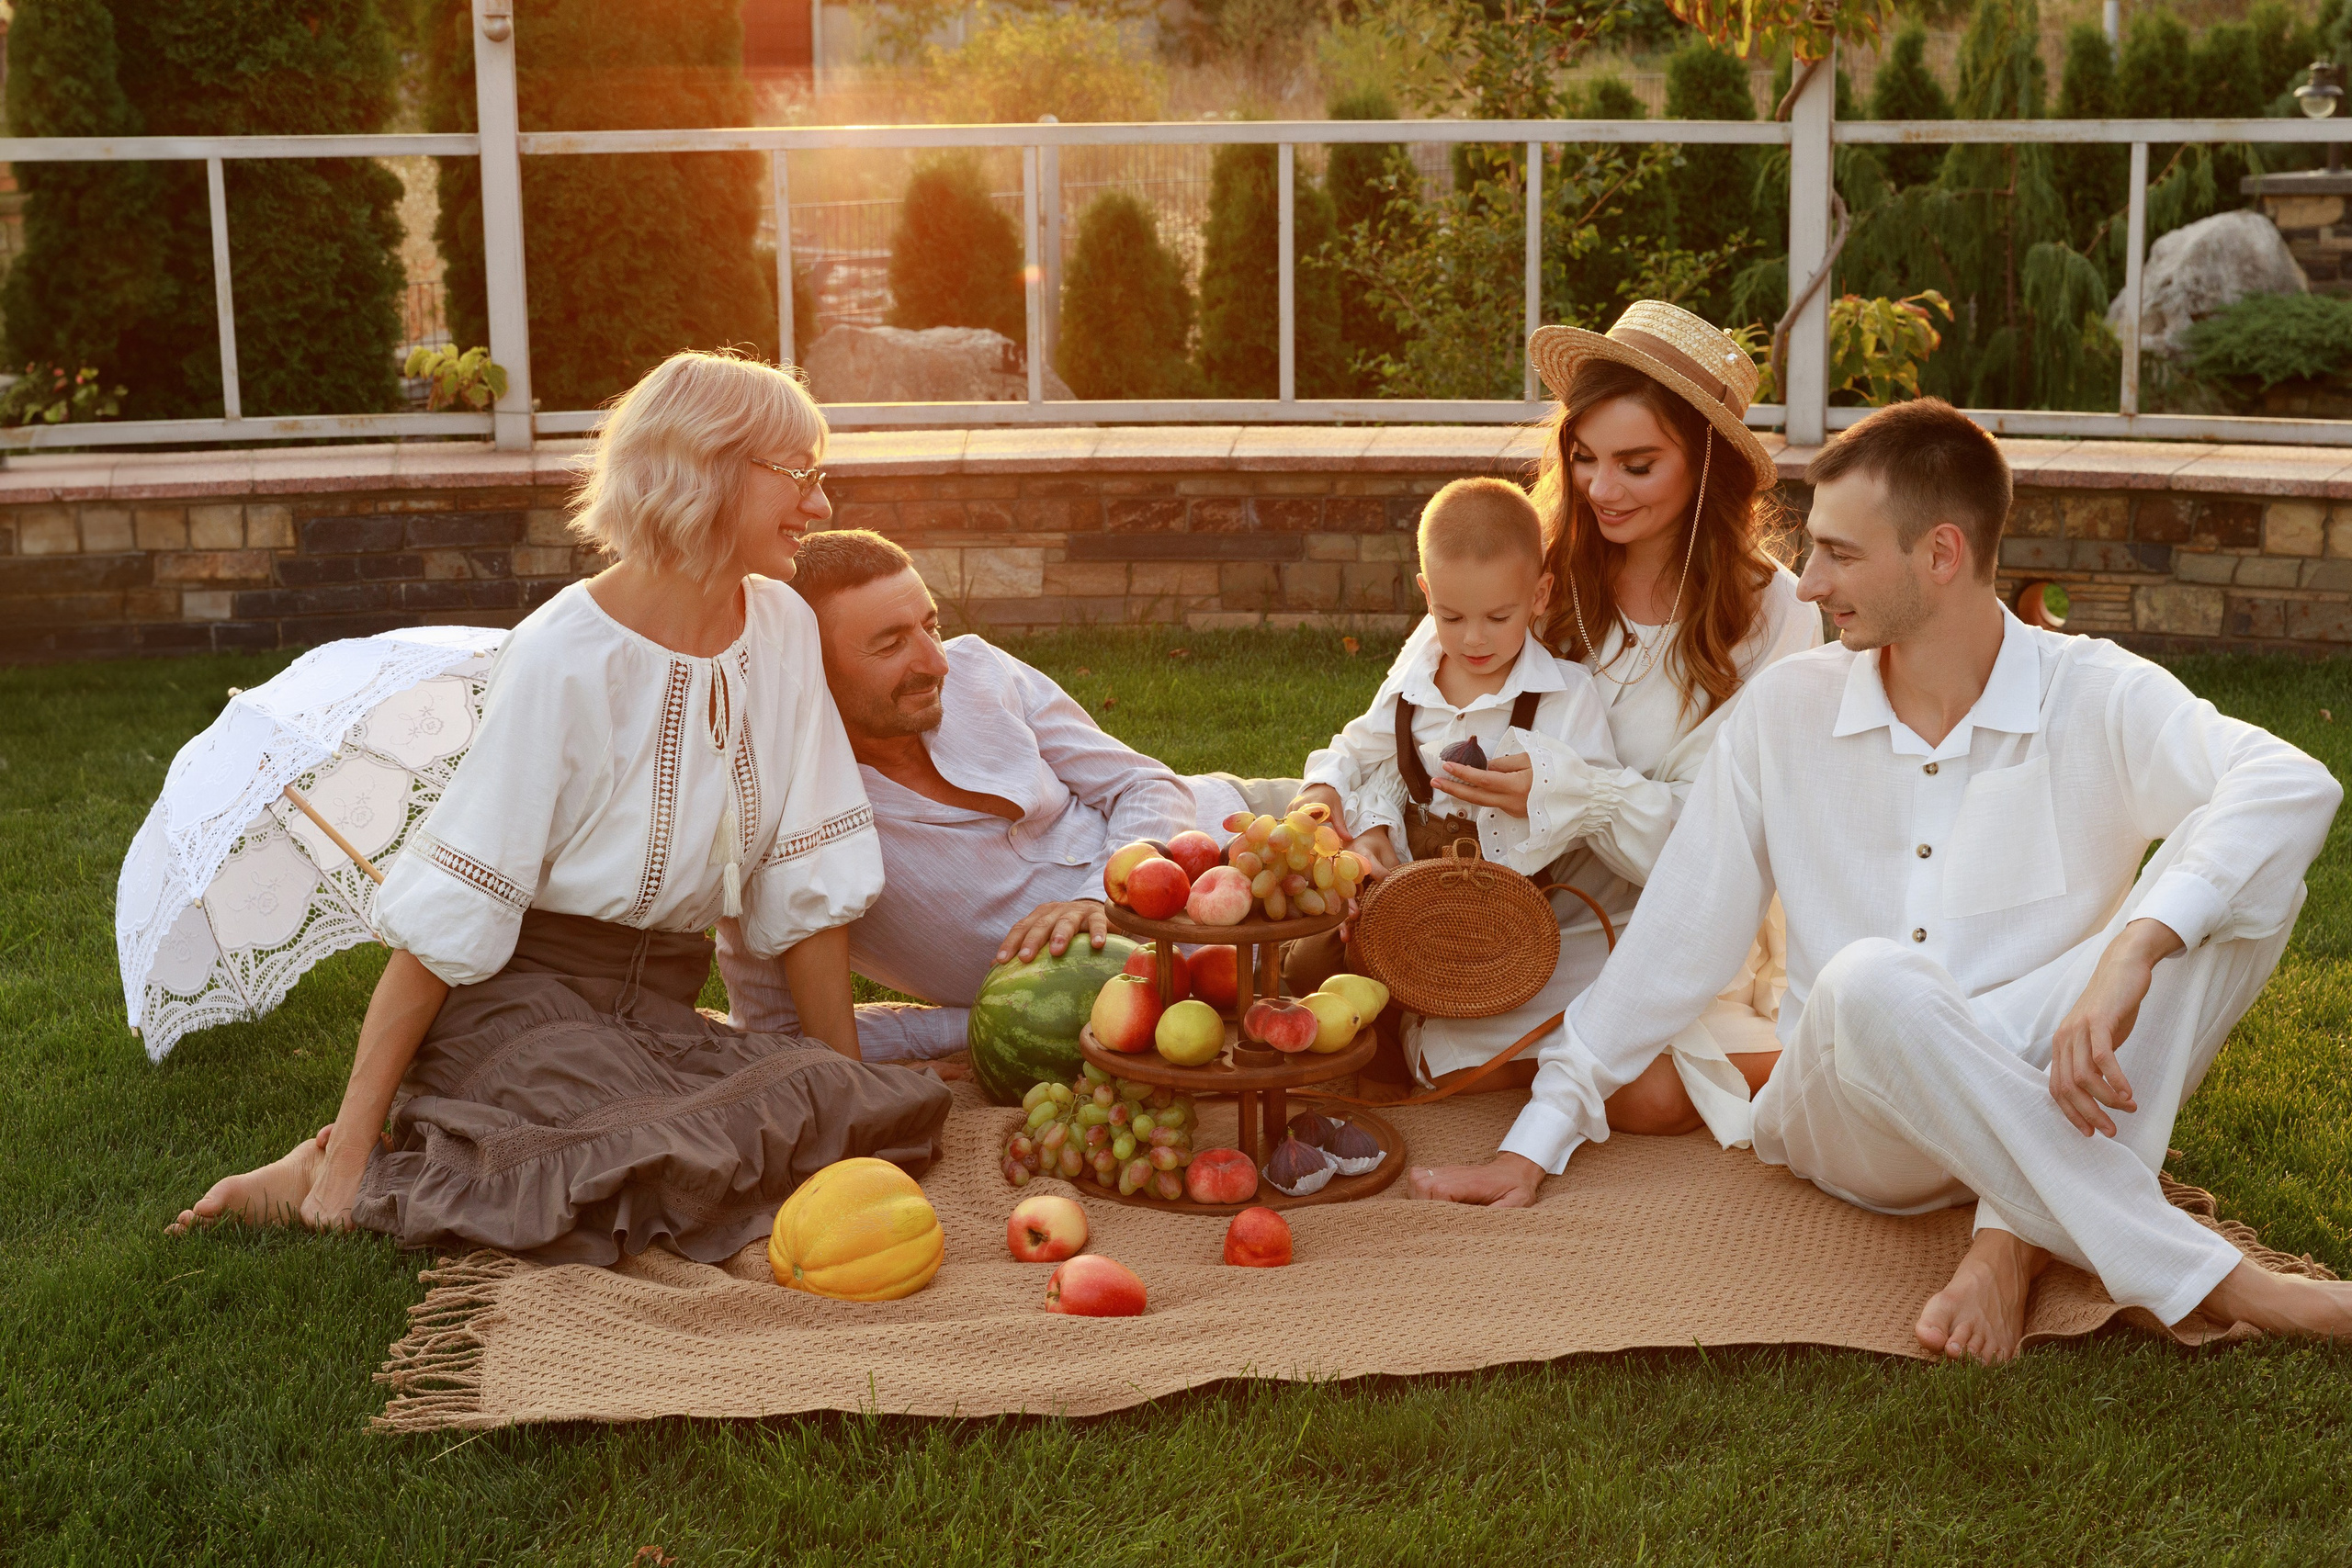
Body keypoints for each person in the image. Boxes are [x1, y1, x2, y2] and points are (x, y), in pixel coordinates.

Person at [1411, 397, 2352, 1361]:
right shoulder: (1787, 710)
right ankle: (2223, 1283)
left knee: (2235, 903)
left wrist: (2133, 952)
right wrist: (1535, 1138)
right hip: (1848, 1108)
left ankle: (2008, 1239)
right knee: (1871, 980)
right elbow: (1675, 939)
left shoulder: (2096, 691)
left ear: (1940, 555)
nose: (1809, 583)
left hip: (2026, 1064)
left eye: (1840, 555)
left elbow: (2289, 784)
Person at [169, 351, 953, 1263]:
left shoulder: (780, 630)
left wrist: (841, 1091)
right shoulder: (561, 655)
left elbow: (808, 881)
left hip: (656, 1015)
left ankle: (461, 1143)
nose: (820, 506)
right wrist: (351, 1154)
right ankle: (336, 1162)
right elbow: (441, 932)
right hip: (520, 1012)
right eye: (798, 475)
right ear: (705, 468)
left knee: (854, 1110)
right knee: (633, 1157)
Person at [1295, 301, 1817, 1105]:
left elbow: (1723, 844)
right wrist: (1356, 816)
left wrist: (1576, 794)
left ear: (1708, 462)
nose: (1601, 490)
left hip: (1673, 913)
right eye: (1583, 457)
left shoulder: (1775, 615)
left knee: (1649, 1090)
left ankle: (1761, 1065)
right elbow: (1400, 718)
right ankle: (1552, 1046)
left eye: (1637, 465)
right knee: (1447, 1043)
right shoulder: (1531, 567)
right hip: (1515, 908)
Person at [716, 529, 1297, 1059]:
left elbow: (1145, 783)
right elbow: (779, 1037)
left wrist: (1104, 895)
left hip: (1251, 831)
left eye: (931, 624)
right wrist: (970, 1026)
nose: (936, 661)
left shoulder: (979, 670)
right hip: (1211, 989)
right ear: (808, 672)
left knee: (1383, 827)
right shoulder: (785, 825)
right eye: (890, 644)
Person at [1279, 478, 1618, 1066]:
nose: (1474, 638)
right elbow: (1360, 750)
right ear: (1426, 593)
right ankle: (1367, 1050)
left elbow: (1589, 794)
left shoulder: (1565, 695)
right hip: (1398, 883)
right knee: (1308, 965)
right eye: (1451, 615)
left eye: (1498, 616)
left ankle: (1414, 1044)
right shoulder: (1416, 683)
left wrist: (1541, 790)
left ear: (1539, 596)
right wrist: (1326, 789)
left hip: (1497, 896)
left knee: (1471, 991)